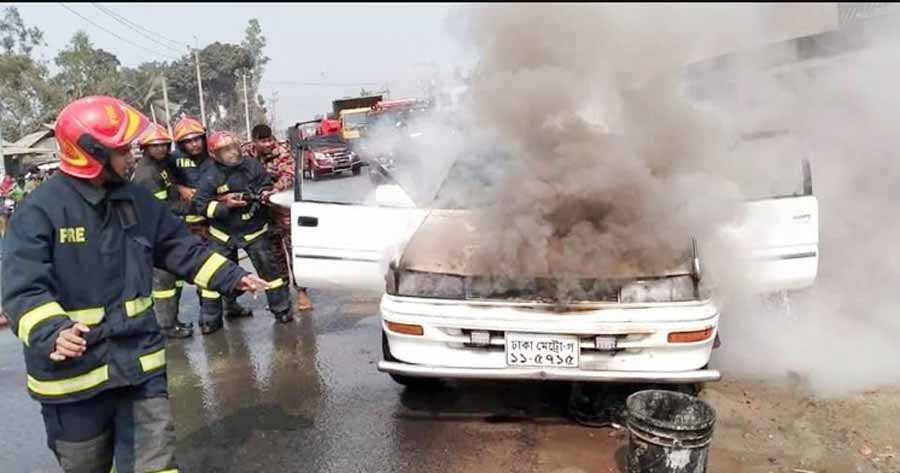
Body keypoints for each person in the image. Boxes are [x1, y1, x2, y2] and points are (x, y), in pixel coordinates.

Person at [1, 96, 269, 473]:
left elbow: (180, 248)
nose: (131, 157)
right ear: (91, 153)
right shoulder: (40, 211)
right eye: (122, 150)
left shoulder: (136, 201)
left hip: (139, 367)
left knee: (156, 465)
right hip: (73, 382)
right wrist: (51, 330)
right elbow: (22, 288)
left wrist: (232, 276)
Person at [194, 131, 295, 333]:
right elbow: (200, 205)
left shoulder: (252, 165)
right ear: (215, 154)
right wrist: (225, 206)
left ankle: (282, 310)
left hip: (254, 230)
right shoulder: (209, 174)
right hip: (223, 234)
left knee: (271, 274)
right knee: (214, 276)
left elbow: (265, 184)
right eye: (225, 151)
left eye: (233, 148)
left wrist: (265, 193)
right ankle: (210, 321)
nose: (232, 153)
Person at [171, 117, 253, 324]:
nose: (194, 144)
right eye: (188, 141)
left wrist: (222, 198)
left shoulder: (215, 156)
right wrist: (179, 188)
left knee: (226, 265)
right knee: (203, 267)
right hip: (193, 223)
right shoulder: (172, 160)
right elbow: (164, 181)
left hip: (218, 219)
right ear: (181, 143)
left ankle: (231, 305)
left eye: (197, 139)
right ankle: (208, 319)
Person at [242, 123, 314, 312]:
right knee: (274, 256)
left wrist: (273, 189)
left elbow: (289, 175)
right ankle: (281, 298)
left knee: (293, 252)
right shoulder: (247, 153)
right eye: (262, 141)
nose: (267, 144)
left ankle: (302, 293)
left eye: (269, 140)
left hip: (284, 212)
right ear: (254, 141)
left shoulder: (282, 151)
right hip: (264, 215)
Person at [132, 123, 193, 338]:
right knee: (164, 283)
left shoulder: (162, 165)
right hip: (155, 235)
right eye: (155, 146)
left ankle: (172, 321)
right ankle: (166, 326)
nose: (161, 149)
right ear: (145, 148)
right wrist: (192, 205)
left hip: (167, 231)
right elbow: (160, 208)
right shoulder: (147, 174)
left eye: (164, 145)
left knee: (174, 279)